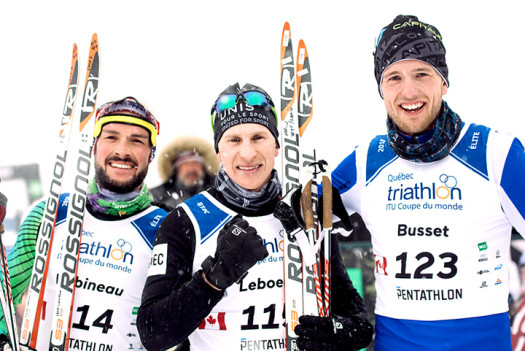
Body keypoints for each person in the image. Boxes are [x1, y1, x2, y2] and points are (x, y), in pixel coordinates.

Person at [329, 14, 525, 350]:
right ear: (381, 88)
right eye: (394, 77)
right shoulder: (367, 160)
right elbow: (307, 223)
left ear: (443, 82)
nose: (409, 90)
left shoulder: (497, 153)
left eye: (422, 73)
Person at [137, 82, 373, 351]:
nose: (247, 153)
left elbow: (358, 323)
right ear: (219, 152)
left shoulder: (305, 213)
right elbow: (152, 332)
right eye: (234, 140)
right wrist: (214, 279)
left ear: (276, 146)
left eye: (259, 138)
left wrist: (338, 333)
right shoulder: (186, 221)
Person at [0, 97, 168, 350]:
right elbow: (5, 292)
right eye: (111, 137)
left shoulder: (166, 229)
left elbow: (179, 322)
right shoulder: (50, 214)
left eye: (137, 140)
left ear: (151, 153)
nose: (122, 150)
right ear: (94, 146)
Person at [149, 134, 219, 209]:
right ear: (175, 170)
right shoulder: (155, 198)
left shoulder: (221, 191)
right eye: (185, 164)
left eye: (196, 163)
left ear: (204, 167)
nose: (191, 168)